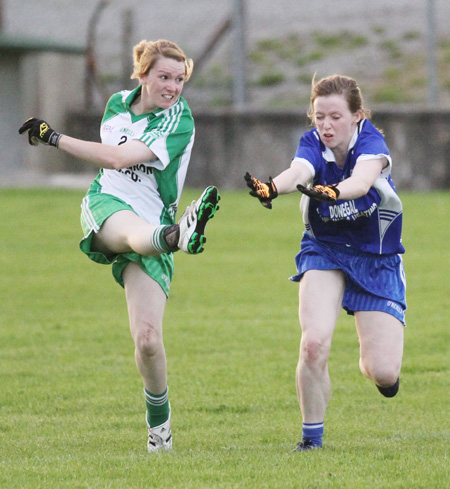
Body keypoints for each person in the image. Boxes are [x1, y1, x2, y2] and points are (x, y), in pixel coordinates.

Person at [18, 39, 220, 452]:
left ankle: (159, 427)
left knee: (147, 341)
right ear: (142, 75)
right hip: (107, 205)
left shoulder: (178, 120)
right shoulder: (116, 106)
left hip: (153, 221)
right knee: (131, 233)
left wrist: (53, 138)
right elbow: (112, 163)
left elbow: (118, 157)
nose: (173, 87)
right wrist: (55, 138)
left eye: (180, 79)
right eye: (164, 77)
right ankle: (176, 238)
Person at [245, 74, 406, 451]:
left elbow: (363, 182)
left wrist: (334, 190)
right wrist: (274, 187)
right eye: (319, 117)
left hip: (376, 257)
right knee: (314, 344)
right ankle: (311, 440)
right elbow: (299, 172)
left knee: (383, 371)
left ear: (356, 116)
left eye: (335, 117)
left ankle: (381, 373)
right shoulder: (313, 143)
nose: (326, 125)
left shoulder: (371, 143)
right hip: (325, 248)